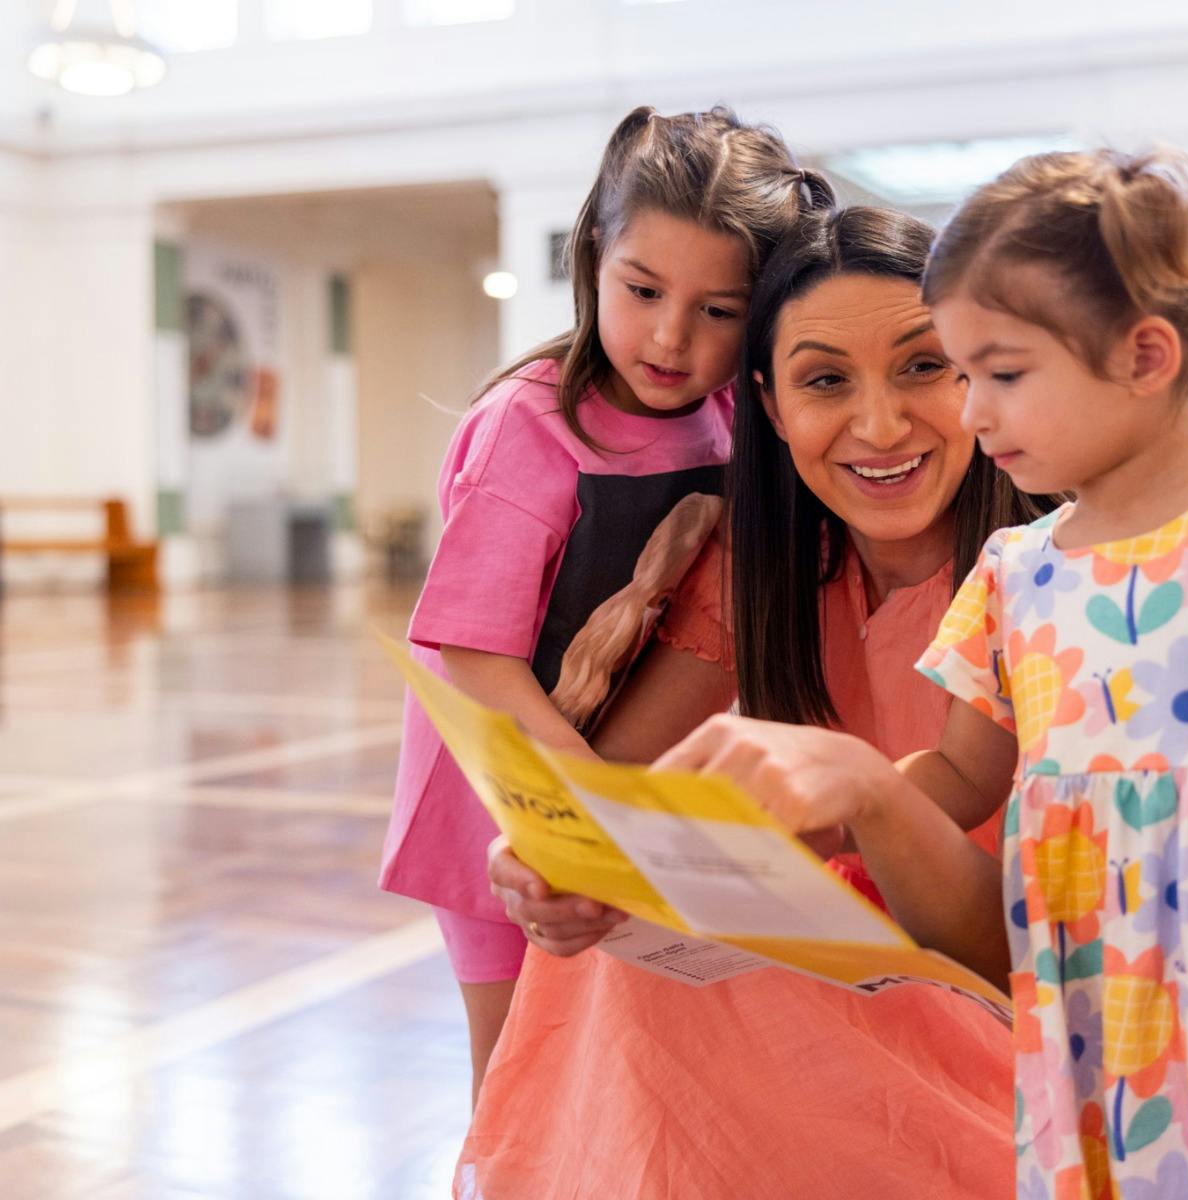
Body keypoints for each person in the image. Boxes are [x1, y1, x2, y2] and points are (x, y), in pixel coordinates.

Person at [659, 149, 1188, 1198]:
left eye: (999, 374)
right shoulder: (1017, 574)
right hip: (1097, 1018)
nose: (975, 411)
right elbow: (957, 781)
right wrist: (775, 819)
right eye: (963, 374)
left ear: (1142, 356)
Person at [461, 206, 1052, 1199]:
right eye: (827, 381)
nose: (877, 426)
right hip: (829, 1001)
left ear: (980, 375)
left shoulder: (1054, 585)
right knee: (621, 952)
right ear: (770, 406)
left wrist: (865, 802)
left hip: (1019, 1017)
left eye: (921, 367)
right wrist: (554, 861)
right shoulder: (759, 569)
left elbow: (1017, 951)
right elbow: (623, 798)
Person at [378, 104, 831, 1104]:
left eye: (719, 310)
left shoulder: (729, 420)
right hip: (503, 800)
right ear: (592, 256)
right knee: (514, 1084)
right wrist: (588, 808)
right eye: (642, 290)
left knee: (610, 1075)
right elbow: (474, 654)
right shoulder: (527, 426)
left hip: (621, 802)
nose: (671, 337)